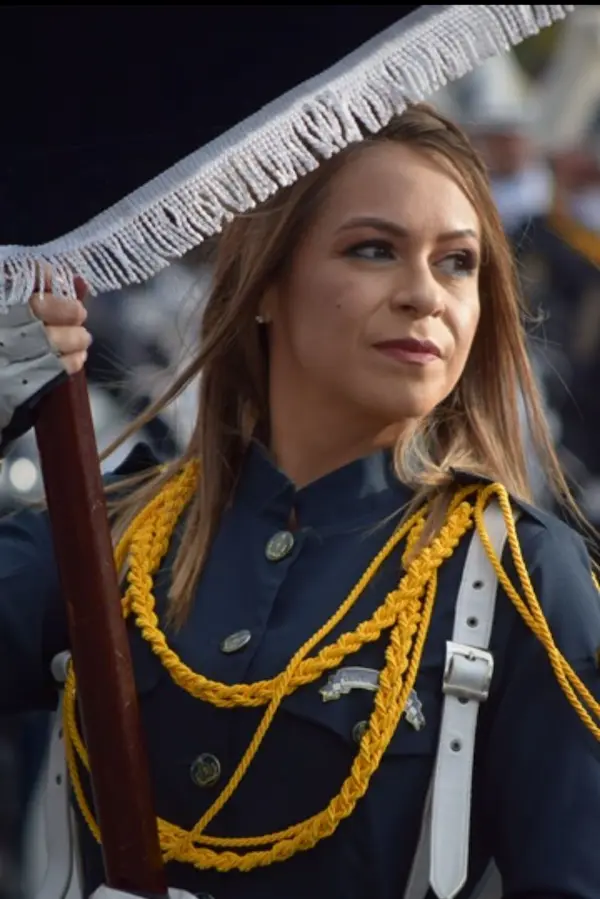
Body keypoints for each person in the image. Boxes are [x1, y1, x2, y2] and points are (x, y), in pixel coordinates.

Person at [1, 103, 600, 899]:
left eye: (458, 262)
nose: (425, 294)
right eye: (375, 249)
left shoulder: (520, 576)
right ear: (265, 283)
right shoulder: (111, 531)